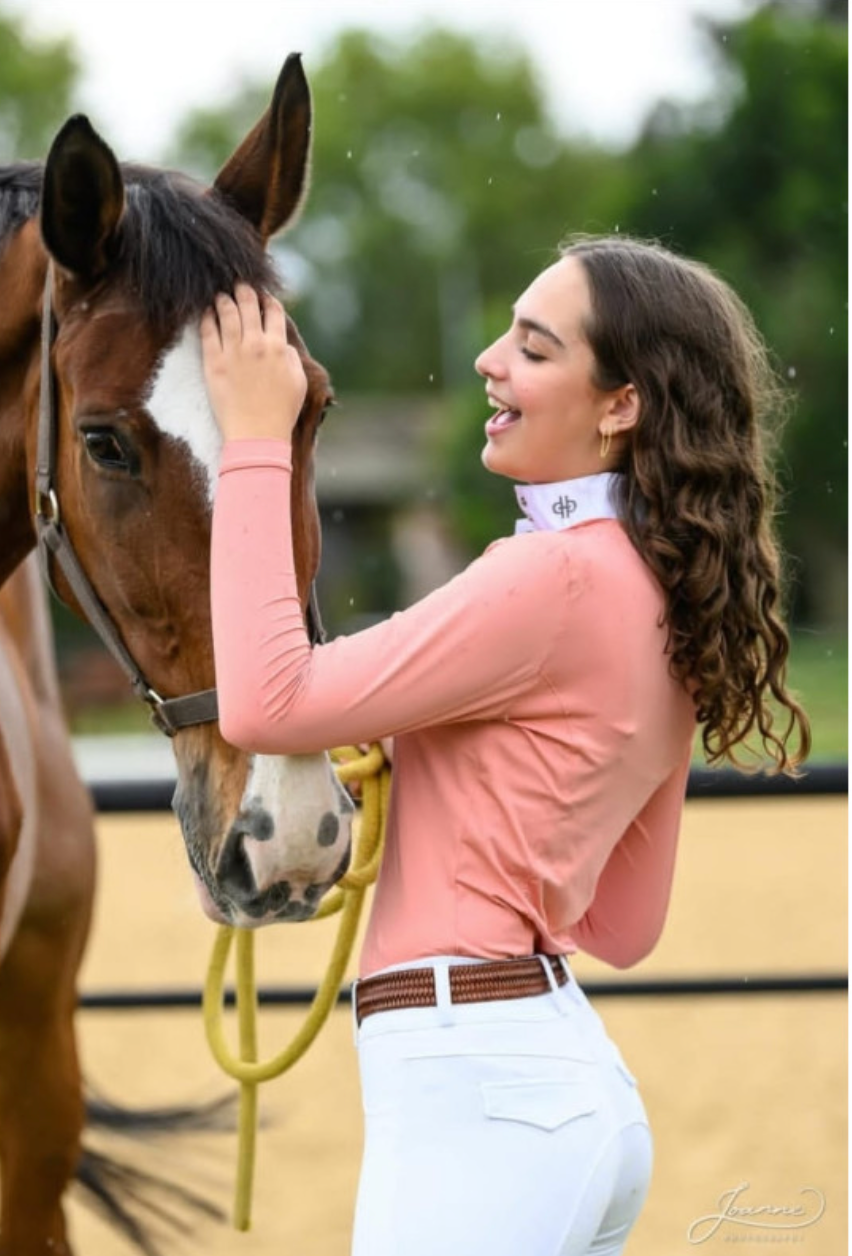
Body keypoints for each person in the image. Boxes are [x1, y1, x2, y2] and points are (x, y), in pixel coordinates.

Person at [199, 234, 810, 1256]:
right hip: (569, 1093)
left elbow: (268, 700)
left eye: (532, 347)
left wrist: (252, 440)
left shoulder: (548, 576)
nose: (489, 358)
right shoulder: (666, 602)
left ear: (620, 404)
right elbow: (621, 921)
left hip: (478, 1090)